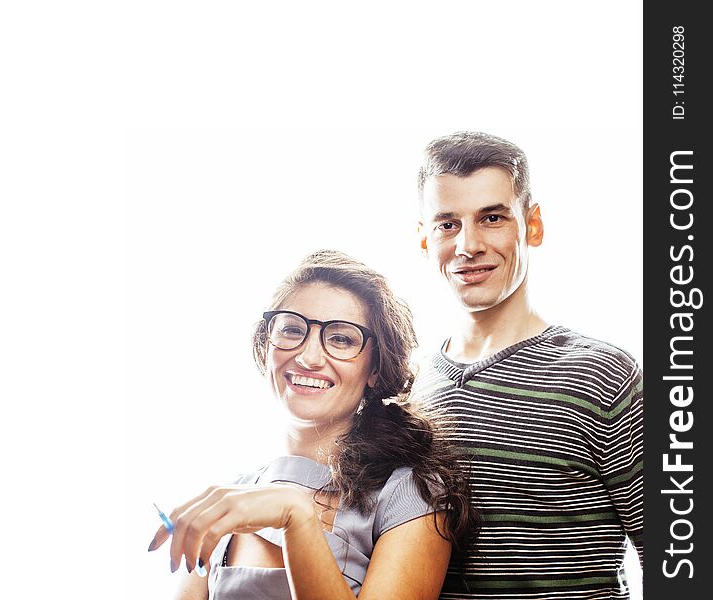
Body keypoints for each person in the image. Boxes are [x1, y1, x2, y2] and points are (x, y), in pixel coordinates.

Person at [148, 250, 478, 599]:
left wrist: (296, 516)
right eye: (292, 329)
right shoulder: (230, 498)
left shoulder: (409, 495)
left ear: (376, 369)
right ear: (266, 345)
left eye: (341, 339)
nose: (308, 358)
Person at [412, 131, 644, 598]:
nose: (468, 245)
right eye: (447, 224)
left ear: (532, 226)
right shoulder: (409, 383)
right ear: (423, 237)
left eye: (492, 217)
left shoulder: (604, 376)